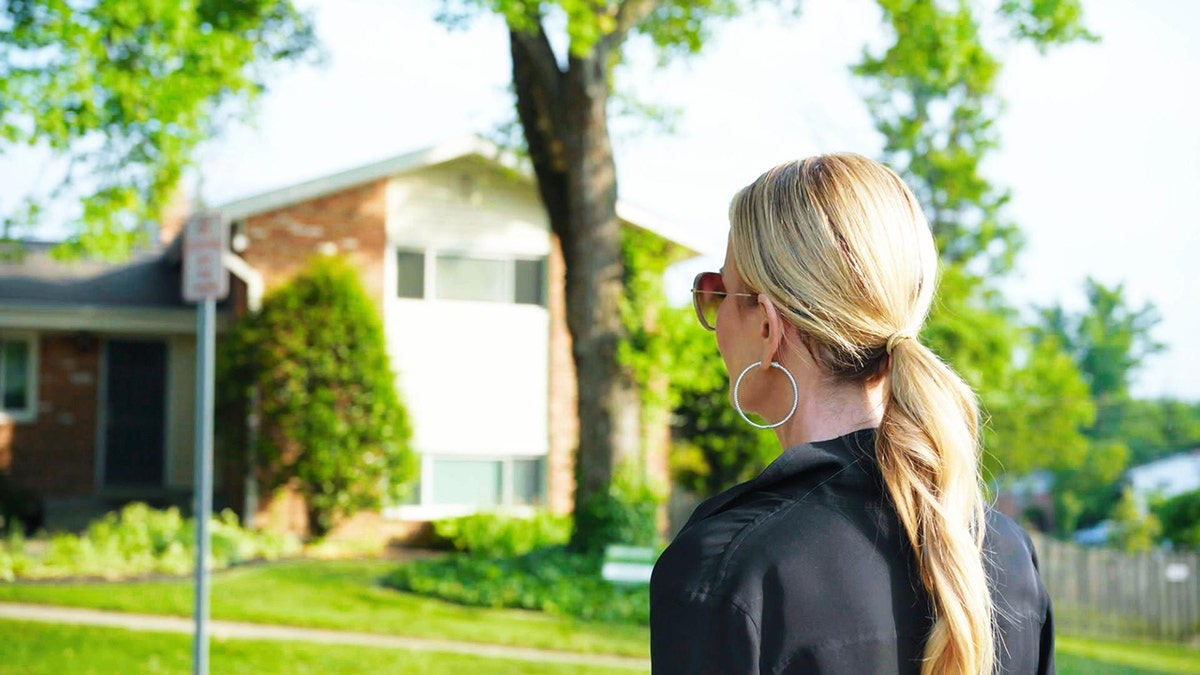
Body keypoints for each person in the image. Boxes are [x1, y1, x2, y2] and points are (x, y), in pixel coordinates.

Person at [649, 154, 1053, 674]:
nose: (713, 314)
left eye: (718, 291)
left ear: (768, 326)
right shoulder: (1005, 555)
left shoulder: (731, 569)